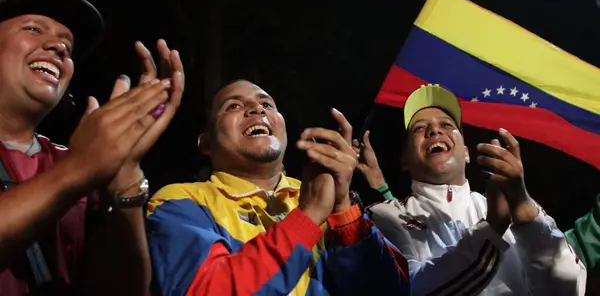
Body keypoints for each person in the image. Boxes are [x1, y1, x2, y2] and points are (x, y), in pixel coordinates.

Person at [0, 0, 185, 295]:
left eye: (67, 46)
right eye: (33, 29)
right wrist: (80, 168)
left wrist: (124, 174)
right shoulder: (80, 164)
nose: (58, 47)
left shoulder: (74, 161)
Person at [146, 79, 411, 295]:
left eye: (266, 104)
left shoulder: (328, 199)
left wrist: (343, 210)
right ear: (205, 143)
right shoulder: (181, 201)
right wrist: (306, 218)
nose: (256, 110)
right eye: (233, 106)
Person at [367, 83, 586, 295]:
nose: (434, 130)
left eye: (447, 125)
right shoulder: (385, 216)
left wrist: (523, 209)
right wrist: (492, 229)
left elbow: (569, 289)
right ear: (405, 159)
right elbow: (410, 288)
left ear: (466, 152)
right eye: (420, 128)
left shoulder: (520, 212)